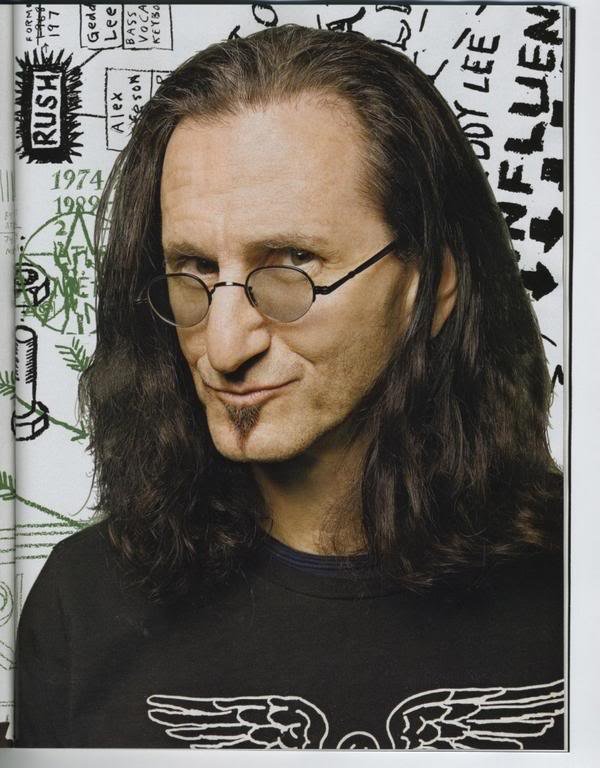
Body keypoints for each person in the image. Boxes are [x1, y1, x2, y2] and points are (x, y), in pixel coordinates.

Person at [15, 24, 564, 750]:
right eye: (193, 270)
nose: (223, 345)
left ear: (430, 287)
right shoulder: (81, 604)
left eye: (293, 265)